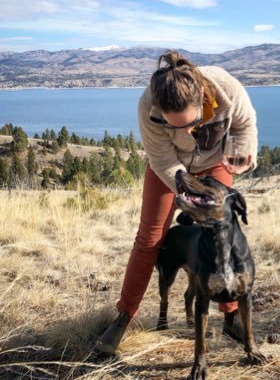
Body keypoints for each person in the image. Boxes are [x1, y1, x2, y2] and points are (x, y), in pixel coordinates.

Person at [94, 50, 258, 356]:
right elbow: (162, 159)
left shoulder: (226, 87)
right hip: (170, 170)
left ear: (202, 98)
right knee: (149, 240)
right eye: (175, 127)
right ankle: (124, 317)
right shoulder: (148, 105)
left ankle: (231, 316)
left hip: (214, 165)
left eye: (191, 123)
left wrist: (246, 151)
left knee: (222, 233)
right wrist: (187, 194)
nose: (185, 132)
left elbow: (245, 126)